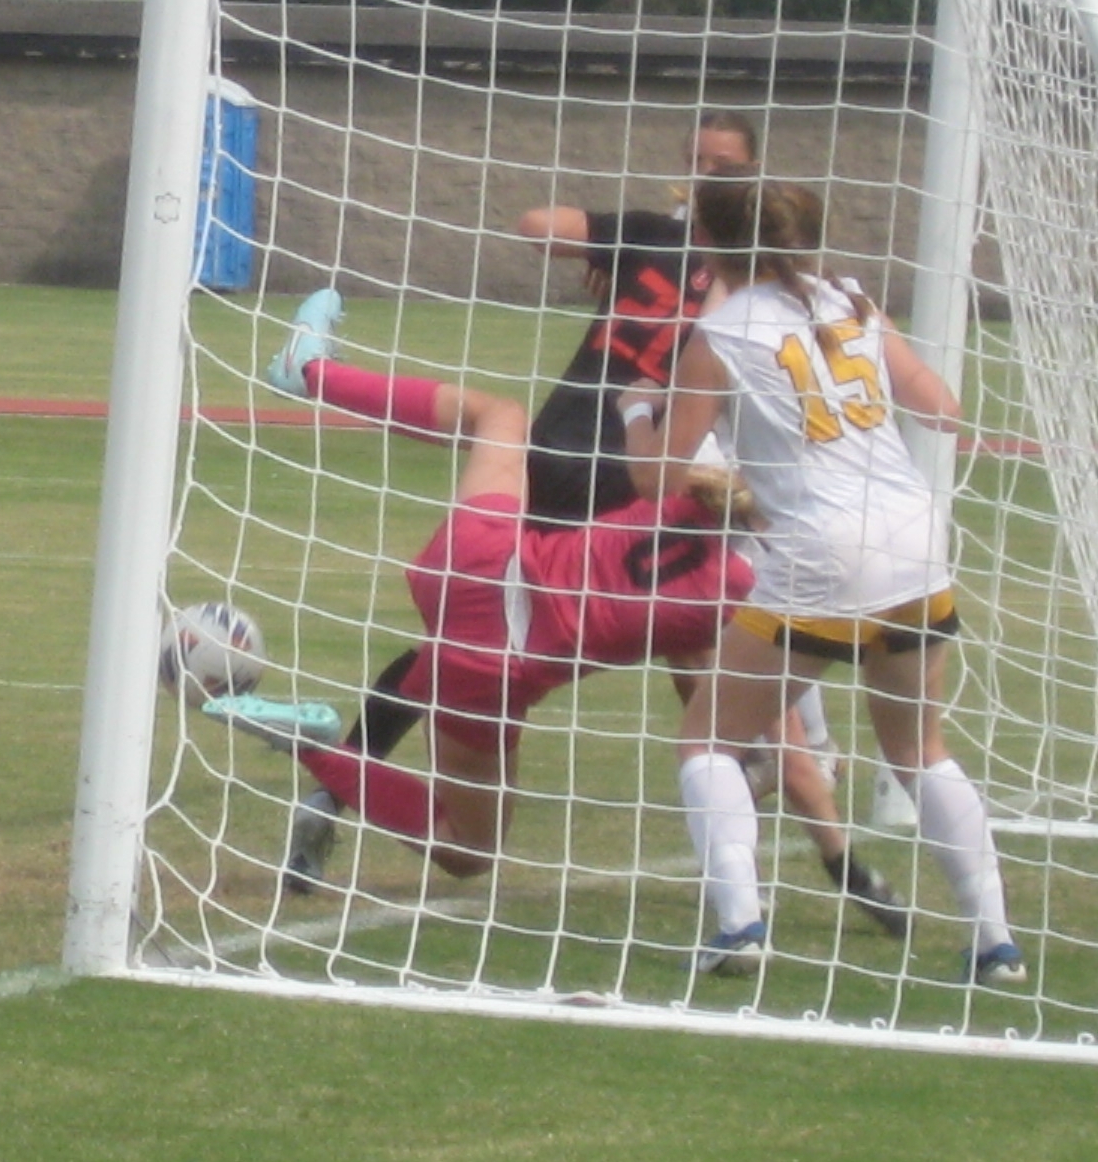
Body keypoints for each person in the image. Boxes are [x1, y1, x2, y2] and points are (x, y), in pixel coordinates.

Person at [647, 175, 1024, 981]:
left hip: (821, 551)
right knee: (919, 750)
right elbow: (941, 407)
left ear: (707, 245)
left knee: (707, 738)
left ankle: (740, 927)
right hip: (913, 539)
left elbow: (657, 479)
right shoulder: (850, 300)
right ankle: (996, 942)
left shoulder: (719, 336)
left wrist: (637, 412)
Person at [257, 290, 753, 880]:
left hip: (479, 554)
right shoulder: (747, 589)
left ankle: (311, 371)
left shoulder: (699, 483)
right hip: (493, 659)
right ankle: (312, 746)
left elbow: (664, 447)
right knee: (468, 849)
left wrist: (638, 410)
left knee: (499, 416)